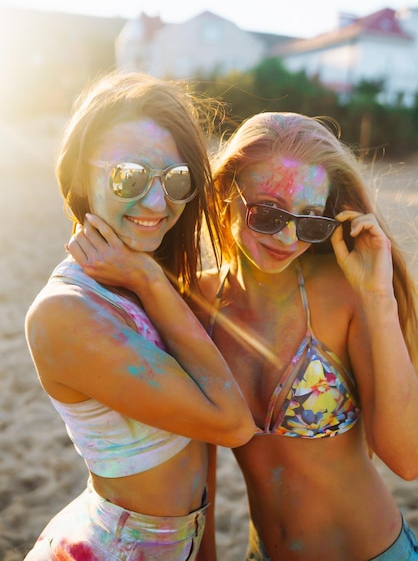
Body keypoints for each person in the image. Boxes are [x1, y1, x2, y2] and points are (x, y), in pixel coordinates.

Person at [71, 111, 418, 560]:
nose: (289, 238)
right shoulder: (192, 303)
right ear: (222, 192)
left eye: (311, 220)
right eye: (268, 213)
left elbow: (406, 459)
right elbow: (199, 463)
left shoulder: (344, 295)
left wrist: (379, 300)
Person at [24, 71, 255, 561]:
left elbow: (200, 449)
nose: (157, 203)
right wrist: (149, 281)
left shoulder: (154, 282)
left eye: (174, 180)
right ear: (80, 177)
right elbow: (232, 423)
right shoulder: (66, 313)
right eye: (127, 175)